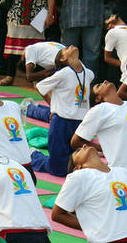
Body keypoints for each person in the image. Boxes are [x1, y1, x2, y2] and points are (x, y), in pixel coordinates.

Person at [71, 81, 127, 213]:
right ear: (98, 98)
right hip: (122, 179)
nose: (104, 81)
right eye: (99, 85)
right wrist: (103, 148)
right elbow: (76, 141)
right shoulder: (99, 110)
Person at [0, 0, 56, 86]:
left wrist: (50, 14)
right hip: (18, 10)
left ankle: (35, 78)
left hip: (38, 11)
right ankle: (10, 75)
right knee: (13, 45)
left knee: (36, 45)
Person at [34, 45, 93, 177]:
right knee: (58, 168)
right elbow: (40, 86)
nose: (71, 46)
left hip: (80, 122)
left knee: (77, 163)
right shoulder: (63, 73)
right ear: (63, 58)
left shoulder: (88, 73)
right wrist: (52, 106)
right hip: (61, 121)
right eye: (66, 49)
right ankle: (34, 155)